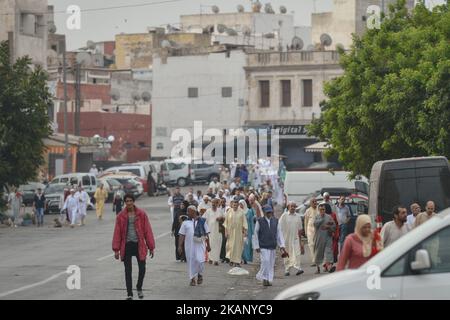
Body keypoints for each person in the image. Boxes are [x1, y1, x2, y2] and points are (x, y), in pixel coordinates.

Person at [113, 194, 155, 300]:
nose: (129, 203)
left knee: (142, 268)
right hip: (127, 245)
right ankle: (129, 293)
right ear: (124, 202)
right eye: (127, 201)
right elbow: (117, 233)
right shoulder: (121, 216)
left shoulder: (141, 214)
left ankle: (139, 287)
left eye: (130, 201)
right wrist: (116, 249)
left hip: (139, 244)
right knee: (128, 270)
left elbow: (147, 230)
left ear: (133, 201)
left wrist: (151, 246)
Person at [253, 205, 287, 286]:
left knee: (271, 263)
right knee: (265, 261)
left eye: (270, 212)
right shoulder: (259, 221)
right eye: (267, 212)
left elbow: (279, 234)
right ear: (264, 212)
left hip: (272, 245)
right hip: (263, 245)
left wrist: (282, 245)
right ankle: (264, 277)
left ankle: (268, 279)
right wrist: (256, 246)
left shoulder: (275, 221)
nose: (269, 214)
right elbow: (255, 234)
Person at [178, 206, 211, 286]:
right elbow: (182, 235)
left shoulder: (202, 221)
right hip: (189, 246)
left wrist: (208, 245)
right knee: (191, 262)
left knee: (200, 260)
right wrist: (179, 246)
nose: (187, 213)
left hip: (200, 245)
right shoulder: (185, 222)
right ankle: (192, 279)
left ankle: (200, 274)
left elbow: (206, 234)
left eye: (188, 211)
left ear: (193, 212)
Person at [279, 201, 305, 276]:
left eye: (294, 206)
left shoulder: (298, 216)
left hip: (295, 238)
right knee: (287, 254)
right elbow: (279, 228)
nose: (293, 208)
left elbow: (300, 229)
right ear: (288, 207)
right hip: (286, 239)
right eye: (291, 206)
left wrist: (301, 241)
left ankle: (298, 268)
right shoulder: (284, 216)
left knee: (297, 253)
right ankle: (287, 270)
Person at [223, 198, 248, 267]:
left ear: (238, 205)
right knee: (230, 246)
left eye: (236, 205)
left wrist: (245, 231)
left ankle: (237, 261)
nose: (235, 206)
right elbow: (226, 223)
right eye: (234, 205)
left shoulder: (241, 212)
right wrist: (226, 232)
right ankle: (231, 260)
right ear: (232, 205)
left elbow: (244, 222)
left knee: (238, 247)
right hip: (230, 232)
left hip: (238, 232)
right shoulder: (229, 212)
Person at [313, 203, 336, 274]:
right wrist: (322, 219)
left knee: (328, 252)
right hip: (319, 238)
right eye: (320, 210)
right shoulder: (317, 217)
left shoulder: (329, 217)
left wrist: (329, 227)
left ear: (325, 210)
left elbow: (334, 226)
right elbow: (315, 224)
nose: (322, 211)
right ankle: (318, 268)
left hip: (327, 237)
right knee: (318, 253)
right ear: (318, 210)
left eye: (323, 209)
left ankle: (329, 267)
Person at [204, 199, 225, 266]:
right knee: (211, 244)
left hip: (218, 231)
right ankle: (210, 258)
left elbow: (225, 218)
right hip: (210, 230)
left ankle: (216, 260)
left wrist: (221, 218)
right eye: (212, 203)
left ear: (217, 204)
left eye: (215, 203)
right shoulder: (208, 211)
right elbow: (204, 219)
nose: (213, 204)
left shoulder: (220, 210)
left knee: (218, 244)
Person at [304, 198, 318, 266]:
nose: (315, 203)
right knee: (311, 245)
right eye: (313, 202)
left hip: (318, 230)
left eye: (316, 201)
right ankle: (314, 260)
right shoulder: (308, 211)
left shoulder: (319, 209)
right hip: (310, 229)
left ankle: (318, 259)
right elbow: (306, 221)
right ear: (310, 203)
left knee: (317, 245)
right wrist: (306, 231)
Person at [242, 198, 255, 264]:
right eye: (239, 204)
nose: (240, 206)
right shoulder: (238, 212)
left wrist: (253, 231)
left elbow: (251, 222)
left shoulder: (249, 211)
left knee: (248, 244)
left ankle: (248, 259)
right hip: (241, 230)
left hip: (248, 229)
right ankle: (242, 258)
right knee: (242, 244)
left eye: (241, 204)